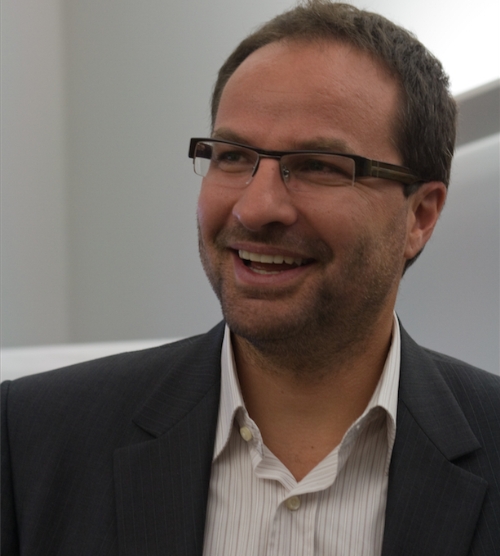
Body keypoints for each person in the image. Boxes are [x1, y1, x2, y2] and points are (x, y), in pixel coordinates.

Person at [2, 1, 499, 554]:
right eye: (233, 157)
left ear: (420, 215)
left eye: (317, 165)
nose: (255, 207)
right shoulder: (33, 440)